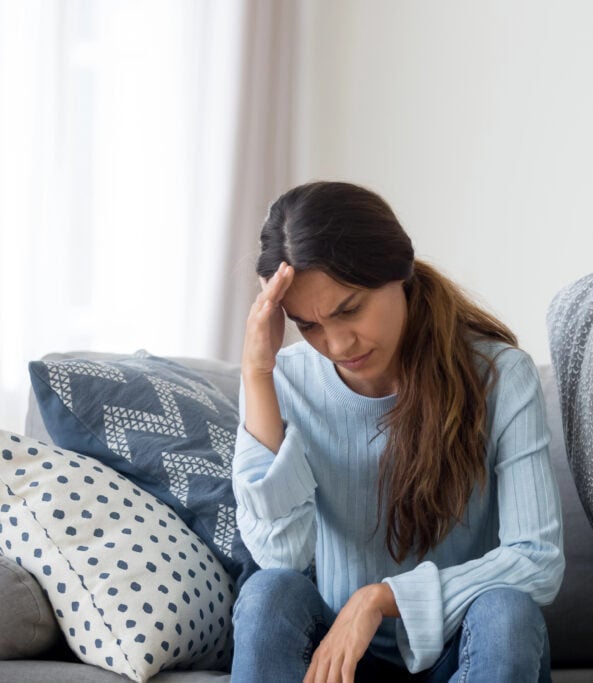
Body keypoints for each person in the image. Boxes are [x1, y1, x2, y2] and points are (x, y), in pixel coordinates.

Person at [230, 181, 564, 683]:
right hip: (338, 664)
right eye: (309, 325)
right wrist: (257, 372)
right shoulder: (283, 380)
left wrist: (380, 599)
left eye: (349, 309)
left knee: (506, 613)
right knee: (267, 593)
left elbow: (536, 560)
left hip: (459, 652)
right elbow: (281, 555)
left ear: (397, 271)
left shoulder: (500, 375)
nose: (338, 344)